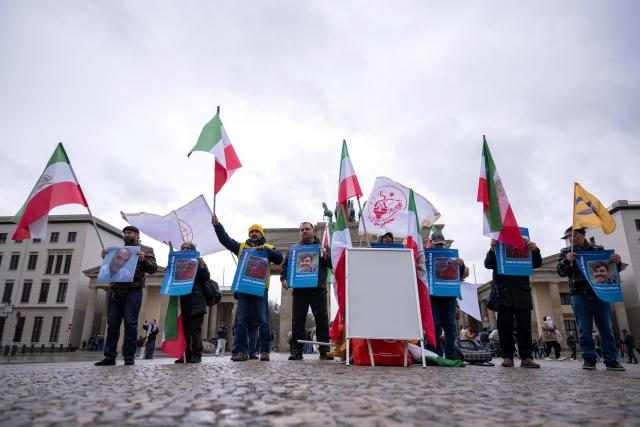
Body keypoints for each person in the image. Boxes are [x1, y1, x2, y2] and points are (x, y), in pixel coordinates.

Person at [212, 215, 283, 362]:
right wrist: (217, 225)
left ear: (261, 234)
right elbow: (225, 240)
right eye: (252, 232)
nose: (254, 233)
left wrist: (266, 251)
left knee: (263, 321)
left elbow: (279, 258)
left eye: (257, 231)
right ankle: (242, 351)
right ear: (249, 234)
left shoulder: (268, 247)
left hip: (261, 289)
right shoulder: (241, 247)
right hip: (244, 289)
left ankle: (264, 351)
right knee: (241, 321)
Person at [557, 226, 625, 371]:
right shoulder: (566, 252)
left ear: (583, 235)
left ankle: (611, 360)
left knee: (606, 328)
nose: (571, 239)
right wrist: (566, 261)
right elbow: (561, 272)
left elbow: (612, 271)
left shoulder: (598, 249)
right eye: (568, 237)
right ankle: (589, 359)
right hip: (579, 294)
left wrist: (616, 262)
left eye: (573, 235)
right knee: (584, 329)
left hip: (600, 293)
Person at [95, 225, 157, 366]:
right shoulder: (116, 251)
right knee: (112, 325)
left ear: (137, 235)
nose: (126, 235)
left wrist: (143, 260)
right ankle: (110, 356)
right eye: (125, 233)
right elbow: (110, 270)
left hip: (133, 291)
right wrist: (105, 259)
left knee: (130, 324)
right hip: (116, 290)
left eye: (129, 233)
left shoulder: (146, 250)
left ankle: (129, 357)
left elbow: (153, 269)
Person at [485, 237, 541, 368]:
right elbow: (488, 264)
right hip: (503, 294)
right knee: (505, 329)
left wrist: (535, 250)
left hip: (522, 292)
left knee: (525, 328)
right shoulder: (498, 249)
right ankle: (507, 357)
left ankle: (526, 357)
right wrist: (492, 249)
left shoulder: (525, 249)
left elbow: (537, 263)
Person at [281, 222, 333, 361]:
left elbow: (332, 264)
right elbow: (285, 266)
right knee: (297, 321)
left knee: (322, 320)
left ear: (313, 231)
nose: (304, 231)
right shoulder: (293, 249)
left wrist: (325, 255)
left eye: (307, 229)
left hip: (318, 289)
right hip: (300, 290)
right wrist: (283, 278)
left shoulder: (322, 247)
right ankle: (296, 351)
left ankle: (324, 351)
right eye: (302, 229)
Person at [429, 231, 467, 361]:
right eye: (436, 244)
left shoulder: (452, 257)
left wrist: (461, 265)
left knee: (450, 326)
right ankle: (436, 354)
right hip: (433, 297)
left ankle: (451, 354)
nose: (439, 247)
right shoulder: (427, 255)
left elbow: (459, 277)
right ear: (431, 244)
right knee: (435, 325)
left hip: (449, 298)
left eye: (441, 244)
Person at [174, 241, 211, 364]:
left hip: (197, 301)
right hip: (182, 302)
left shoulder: (199, 261)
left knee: (195, 331)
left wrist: (202, 267)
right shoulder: (177, 263)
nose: (185, 249)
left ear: (193, 250)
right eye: (183, 248)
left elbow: (205, 278)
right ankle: (185, 355)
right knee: (183, 331)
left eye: (187, 248)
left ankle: (197, 355)